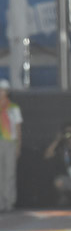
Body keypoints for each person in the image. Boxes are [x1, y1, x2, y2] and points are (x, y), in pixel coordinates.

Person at [5, 0, 32, 90]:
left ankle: (18, 84)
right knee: (16, 61)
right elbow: (15, 16)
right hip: (18, 35)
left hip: (22, 33)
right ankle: (16, 85)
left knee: (20, 60)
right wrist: (17, 34)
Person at [0, 79, 22, 212]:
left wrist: (18, 145)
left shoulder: (14, 108)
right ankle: (1, 203)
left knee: (10, 173)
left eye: (3, 90)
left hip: (10, 143)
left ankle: (9, 202)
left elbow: (18, 128)